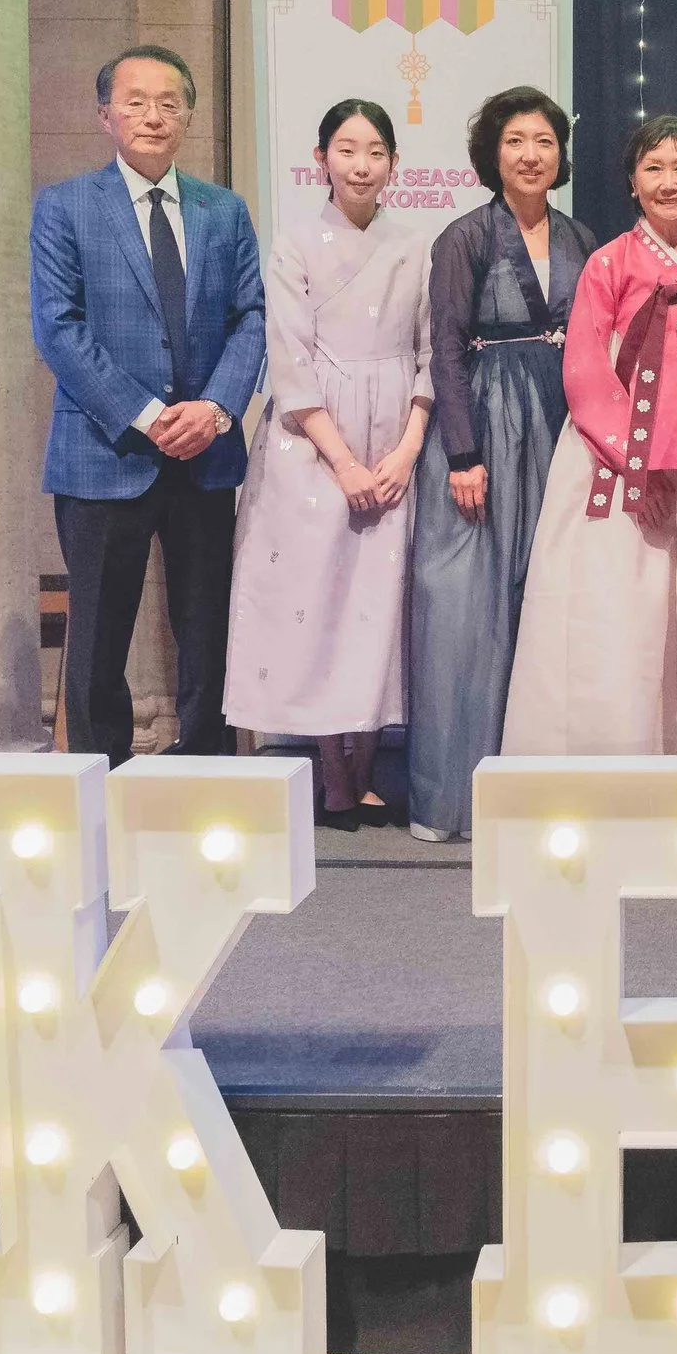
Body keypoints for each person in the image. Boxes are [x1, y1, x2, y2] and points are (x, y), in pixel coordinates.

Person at [31, 44, 264, 769]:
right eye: (134, 101)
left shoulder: (223, 210)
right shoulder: (67, 206)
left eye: (168, 101)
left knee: (206, 628)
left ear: (189, 115)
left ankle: (204, 770)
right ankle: (102, 780)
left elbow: (251, 318)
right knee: (99, 633)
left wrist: (217, 408)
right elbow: (58, 327)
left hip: (206, 455)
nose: (152, 115)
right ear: (105, 115)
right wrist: (148, 415)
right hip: (104, 453)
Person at [220, 100, 432, 828]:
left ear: (395, 165)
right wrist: (343, 462)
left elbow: (433, 356)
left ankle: (367, 768)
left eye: (376, 151)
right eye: (347, 149)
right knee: (318, 600)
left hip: (394, 439)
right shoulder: (296, 243)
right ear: (322, 160)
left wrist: (405, 451)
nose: (362, 164)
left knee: (379, 607)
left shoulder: (416, 246)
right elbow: (291, 362)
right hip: (313, 442)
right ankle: (333, 776)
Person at [502, 116, 677, 755]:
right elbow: (583, 370)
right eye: (654, 168)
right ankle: (616, 752)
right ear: (632, 183)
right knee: (620, 609)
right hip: (617, 462)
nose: (669, 182)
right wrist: (633, 467)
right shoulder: (608, 262)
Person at [406, 87, 598, 841]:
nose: (530, 154)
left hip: (563, 424)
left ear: (560, 155)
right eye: (516, 140)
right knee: (468, 609)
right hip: (483, 425)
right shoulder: (463, 237)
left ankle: (540, 783)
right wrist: (461, 452)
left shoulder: (583, 237)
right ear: (493, 152)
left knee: (548, 603)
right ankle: (457, 794)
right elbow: (445, 350)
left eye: (544, 141)